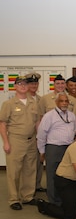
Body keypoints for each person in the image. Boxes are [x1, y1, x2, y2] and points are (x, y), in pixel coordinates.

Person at [0, 76, 39, 210]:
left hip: (31, 140)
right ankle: (14, 199)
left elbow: (37, 123)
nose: (23, 86)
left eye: (25, 84)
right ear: (15, 87)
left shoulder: (33, 103)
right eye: (20, 84)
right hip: (16, 140)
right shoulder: (9, 104)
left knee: (30, 170)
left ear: (28, 87)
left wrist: (39, 138)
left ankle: (27, 196)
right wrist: (6, 142)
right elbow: (3, 124)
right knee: (14, 171)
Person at [37, 93, 76, 206]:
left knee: (66, 175)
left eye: (66, 101)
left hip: (68, 148)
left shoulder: (71, 115)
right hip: (53, 148)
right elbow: (41, 134)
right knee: (53, 175)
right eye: (61, 101)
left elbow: (74, 130)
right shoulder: (49, 116)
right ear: (56, 102)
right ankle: (54, 201)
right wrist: (42, 151)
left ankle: (65, 198)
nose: (64, 103)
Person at [25, 72, 45, 193]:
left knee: (39, 162)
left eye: (36, 83)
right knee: (28, 165)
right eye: (31, 83)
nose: (34, 85)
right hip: (28, 136)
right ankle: (27, 188)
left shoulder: (40, 100)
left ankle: (36, 185)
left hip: (39, 136)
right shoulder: (23, 99)